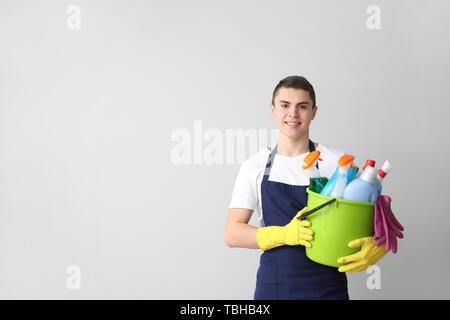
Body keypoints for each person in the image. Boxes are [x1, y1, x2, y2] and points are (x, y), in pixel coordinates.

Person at [224, 75, 387, 300]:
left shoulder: (339, 163)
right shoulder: (255, 167)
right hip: (275, 287)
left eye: (302, 106)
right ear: (273, 110)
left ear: (313, 112)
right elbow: (232, 233)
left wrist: (380, 244)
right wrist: (283, 234)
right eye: (285, 105)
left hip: (329, 288)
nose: (293, 113)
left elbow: (378, 216)